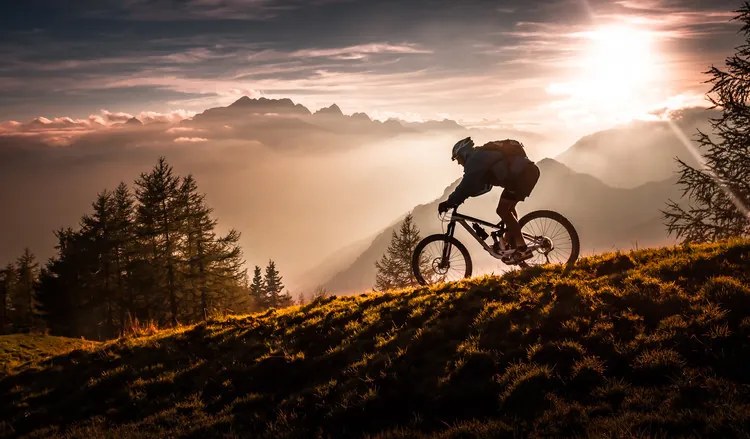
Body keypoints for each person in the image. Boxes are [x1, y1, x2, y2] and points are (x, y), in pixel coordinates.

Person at [437, 137, 540, 262]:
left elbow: (466, 183)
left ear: (464, 153)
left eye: (458, 158)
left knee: (502, 211)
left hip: (522, 177)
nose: (459, 163)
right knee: (508, 209)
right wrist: (460, 198)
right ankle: (511, 243)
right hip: (525, 174)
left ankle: (522, 249)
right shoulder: (480, 156)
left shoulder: (475, 160)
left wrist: (450, 201)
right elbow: (478, 186)